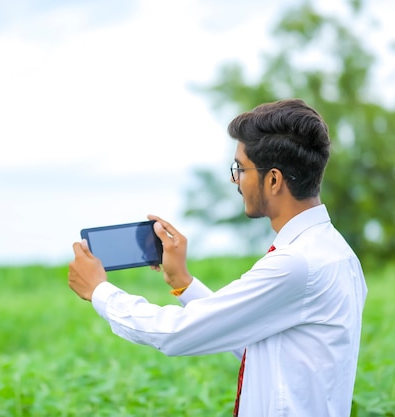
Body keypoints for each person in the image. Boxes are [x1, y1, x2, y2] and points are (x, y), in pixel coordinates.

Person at [68, 98, 368, 417]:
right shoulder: (336, 252)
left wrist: (100, 291)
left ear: (274, 180)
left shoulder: (296, 264)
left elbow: (177, 333)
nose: (234, 179)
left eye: (240, 168)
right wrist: (181, 282)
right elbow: (260, 347)